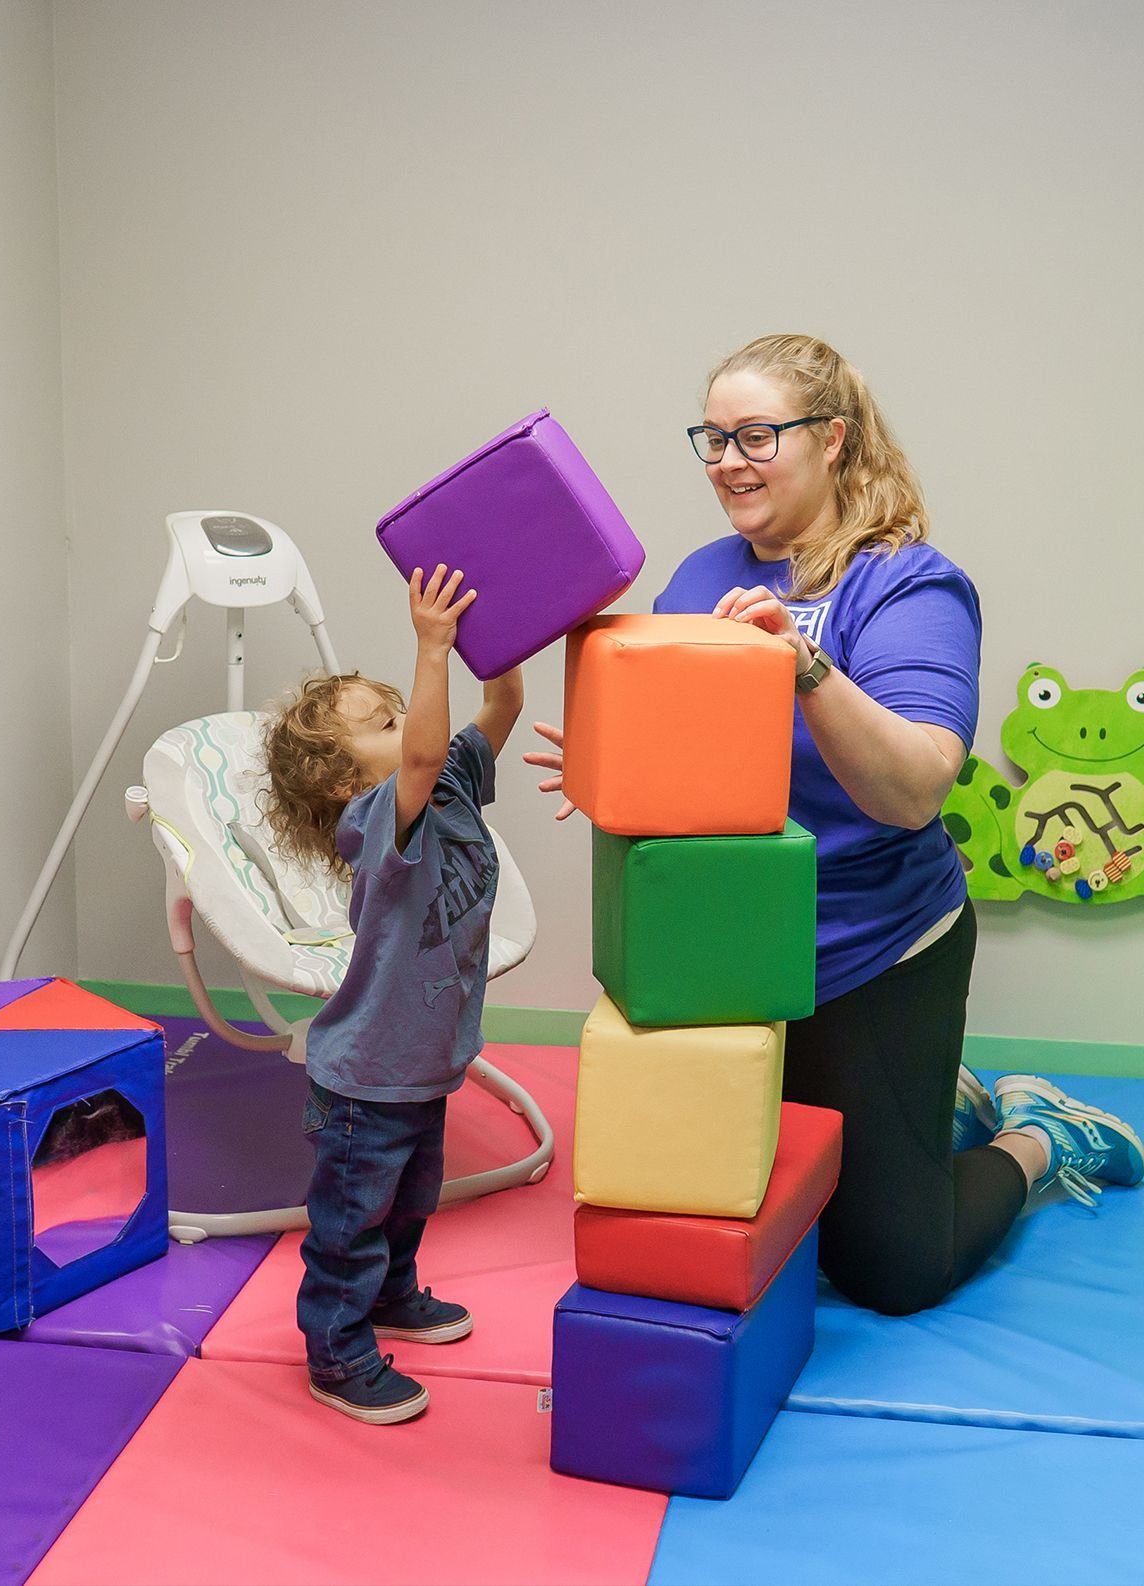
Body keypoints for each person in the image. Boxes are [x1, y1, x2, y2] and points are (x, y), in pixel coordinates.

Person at [526, 333, 1142, 1316]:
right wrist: (611, 766)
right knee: (723, 1199)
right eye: (714, 437)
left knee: (894, 1268)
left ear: (834, 440)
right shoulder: (697, 576)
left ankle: (1038, 1133)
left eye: (757, 434)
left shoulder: (905, 582)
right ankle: (940, 1095)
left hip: (874, 947)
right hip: (734, 955)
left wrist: (806, 670)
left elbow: (915, 792)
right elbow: (697, 767)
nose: (728, 459)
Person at [264, 563, 523, 1420]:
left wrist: (502, 640)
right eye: (385, 720)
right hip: (365, 1079)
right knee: (348, 1224)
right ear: (347, 779)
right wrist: (432, 648)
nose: (411, 722)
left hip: (422, 1062)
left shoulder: (445, 780)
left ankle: (392, 1294)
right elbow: (419, 753)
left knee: (410, 1203)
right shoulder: (375, 819)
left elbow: (501, 711)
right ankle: (334, 1352)